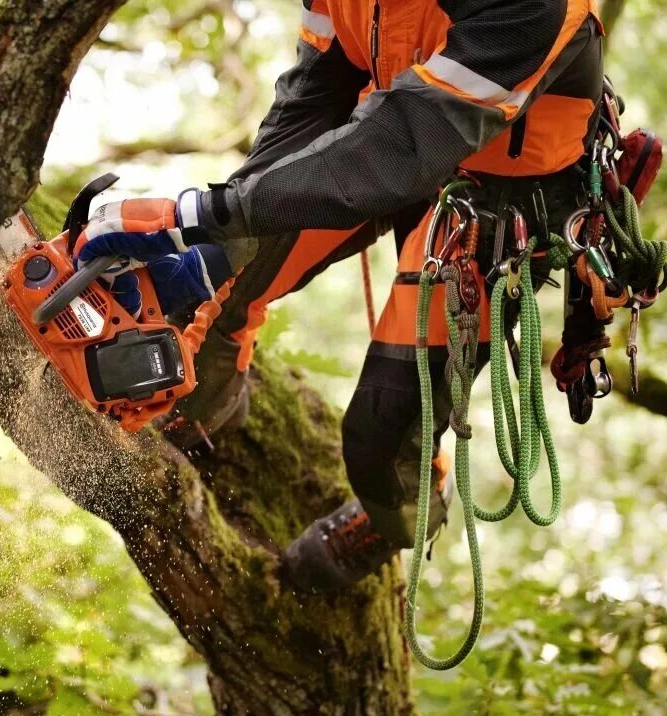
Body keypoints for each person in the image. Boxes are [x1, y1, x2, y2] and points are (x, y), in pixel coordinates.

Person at [71, 0, 607, 593]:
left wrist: (196, 211)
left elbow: (410, 138)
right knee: (215, 289)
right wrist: (225, 223)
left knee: (377, 438)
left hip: (497, 198)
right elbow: (312, 99)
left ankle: (405, 509)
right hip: (378, 133)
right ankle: (201, 401)